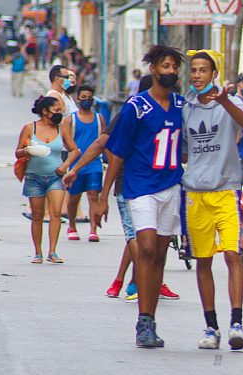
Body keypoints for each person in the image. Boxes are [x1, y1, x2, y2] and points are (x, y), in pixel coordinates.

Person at [95, 45, 186, 348]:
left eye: (174, 66)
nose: (170, 71)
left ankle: (150, 321)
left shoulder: (182, 105)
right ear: (153, 69)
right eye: (165, 66)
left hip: (171, 186)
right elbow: (117, 154)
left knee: (159, 254)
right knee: (145, 248)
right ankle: (142, 320)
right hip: (140, 186)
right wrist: (103, 195)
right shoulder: (136, 107)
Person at [63, 75, 179, 302]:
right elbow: (103, 146)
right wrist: (78, 170)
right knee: (140, 240)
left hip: (160, 185)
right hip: (132, 185)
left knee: (143, 238)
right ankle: (146, 281)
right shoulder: (131, 113)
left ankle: (134, 281)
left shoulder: (172, 112)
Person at [181, 50, 243, 350]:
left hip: (226, 190)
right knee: (203, 260)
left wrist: (223, 100)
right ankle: (210, 326)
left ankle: (236, 322)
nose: (197, 75)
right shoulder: (184, 106)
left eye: (203, 70)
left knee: (232, 255)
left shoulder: (232, 100)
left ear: (214, 74)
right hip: (195, 193)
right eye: (194, 70)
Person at [14, 96, 80, 264]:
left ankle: (53, 251)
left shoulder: (62, 128)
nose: (59, 114)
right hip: (33, 177)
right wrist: (27, 151)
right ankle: (38, 252)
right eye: (56, 110)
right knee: (37, 215)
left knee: (56, 213)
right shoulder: (30, 128)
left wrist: (65, 166)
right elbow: (18, 152)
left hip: (55, 176)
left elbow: (74, 150)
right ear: (45, 111)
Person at [61, 85, 105, 242]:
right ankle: (72, 226)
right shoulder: (69, 120)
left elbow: (103, 140)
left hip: (95, 164)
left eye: (89, 98)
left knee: (93, 195)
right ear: (78, 99)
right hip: (75, 165)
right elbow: (66, 142)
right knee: (74, 198)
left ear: (93, 100)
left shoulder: (99, 119)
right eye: (83, 97)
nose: (86, 100)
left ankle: (93, 229)